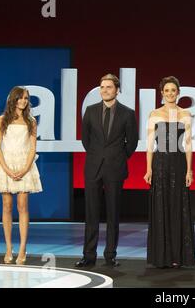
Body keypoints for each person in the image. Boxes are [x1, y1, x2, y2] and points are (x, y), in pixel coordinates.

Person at [75, 73, 138, 268]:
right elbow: (86, 140)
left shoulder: (127, 113)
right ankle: (88, 255)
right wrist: (97, 155)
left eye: (109, 87)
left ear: (117, 90)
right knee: (91, 213)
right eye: (102, 87)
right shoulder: (90, 111)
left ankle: (110, 255)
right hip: (93, 167)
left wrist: (117, 157)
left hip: (115, 168)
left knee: (113, 214)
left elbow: (132, 143)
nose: (104, 90)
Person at [144, 76, 195, 268]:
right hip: (160, 163)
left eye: (173, 90)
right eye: (167, 90)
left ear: (178, 93)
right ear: (162, 93)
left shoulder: (185, 114)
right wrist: (148, 169)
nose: (170, 93)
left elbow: (188, 144)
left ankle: (177, 256)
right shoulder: (154, 114)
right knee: (161, 207)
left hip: (179, 162)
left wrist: (189, 171)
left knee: (177, 207)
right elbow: (149, 145)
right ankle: (161, 256)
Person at [0, 86, 42, 265]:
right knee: (6, 205)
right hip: (5, 165)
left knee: (22, 205)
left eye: (26, 98)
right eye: (20, 98)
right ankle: (8, 248)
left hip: (24, 166)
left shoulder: (31, 121)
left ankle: (22, 249)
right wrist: (6, 168)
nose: (23, 101)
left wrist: (25, 169)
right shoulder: (2, 120)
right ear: (13, 99)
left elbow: (33, 148)